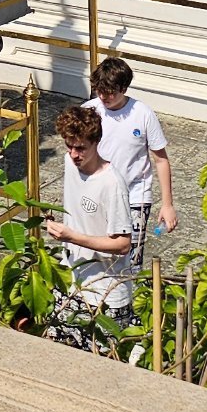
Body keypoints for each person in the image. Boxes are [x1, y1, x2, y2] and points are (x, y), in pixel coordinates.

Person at [45, 104, 141, 314]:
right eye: (69, 146)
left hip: (105, 292)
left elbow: (123, 244)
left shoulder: (112, 184)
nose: (74, 154)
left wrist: (72, 237)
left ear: (96, 142)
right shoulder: (70, 163)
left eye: (81, 148)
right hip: (72, 281)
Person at [83, 56, 177, 236]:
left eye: (110, 92)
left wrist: (167, 205)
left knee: (131, 251)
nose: (103, 97)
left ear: (123, 88)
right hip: (96, 194)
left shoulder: (143, 114)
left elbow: (161, 160)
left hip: (135, 195)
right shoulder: (89, 111)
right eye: (100, 91)